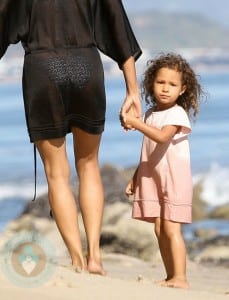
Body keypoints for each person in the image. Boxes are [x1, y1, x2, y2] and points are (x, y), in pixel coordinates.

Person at [0, 0, 142, 275]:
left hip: (43, 70)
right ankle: (95, 258)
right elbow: (119, 30)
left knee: (56, 174)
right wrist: (132, 91)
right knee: (88, 166)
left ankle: (77, 259)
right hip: (85, 68)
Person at [121, 53, 204, 288]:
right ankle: (171, 276)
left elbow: (161, 137)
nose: (165, 89)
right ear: (151, 84)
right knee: (159, 228)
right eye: (160, 82)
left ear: (183, 88)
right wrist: (135, 178)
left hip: (174, 179)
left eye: (172, 84)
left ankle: (181, 277)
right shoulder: (150, 114)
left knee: (170, 228)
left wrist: (135, 123)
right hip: (152, 176)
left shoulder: (177, 114)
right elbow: (148, 151)